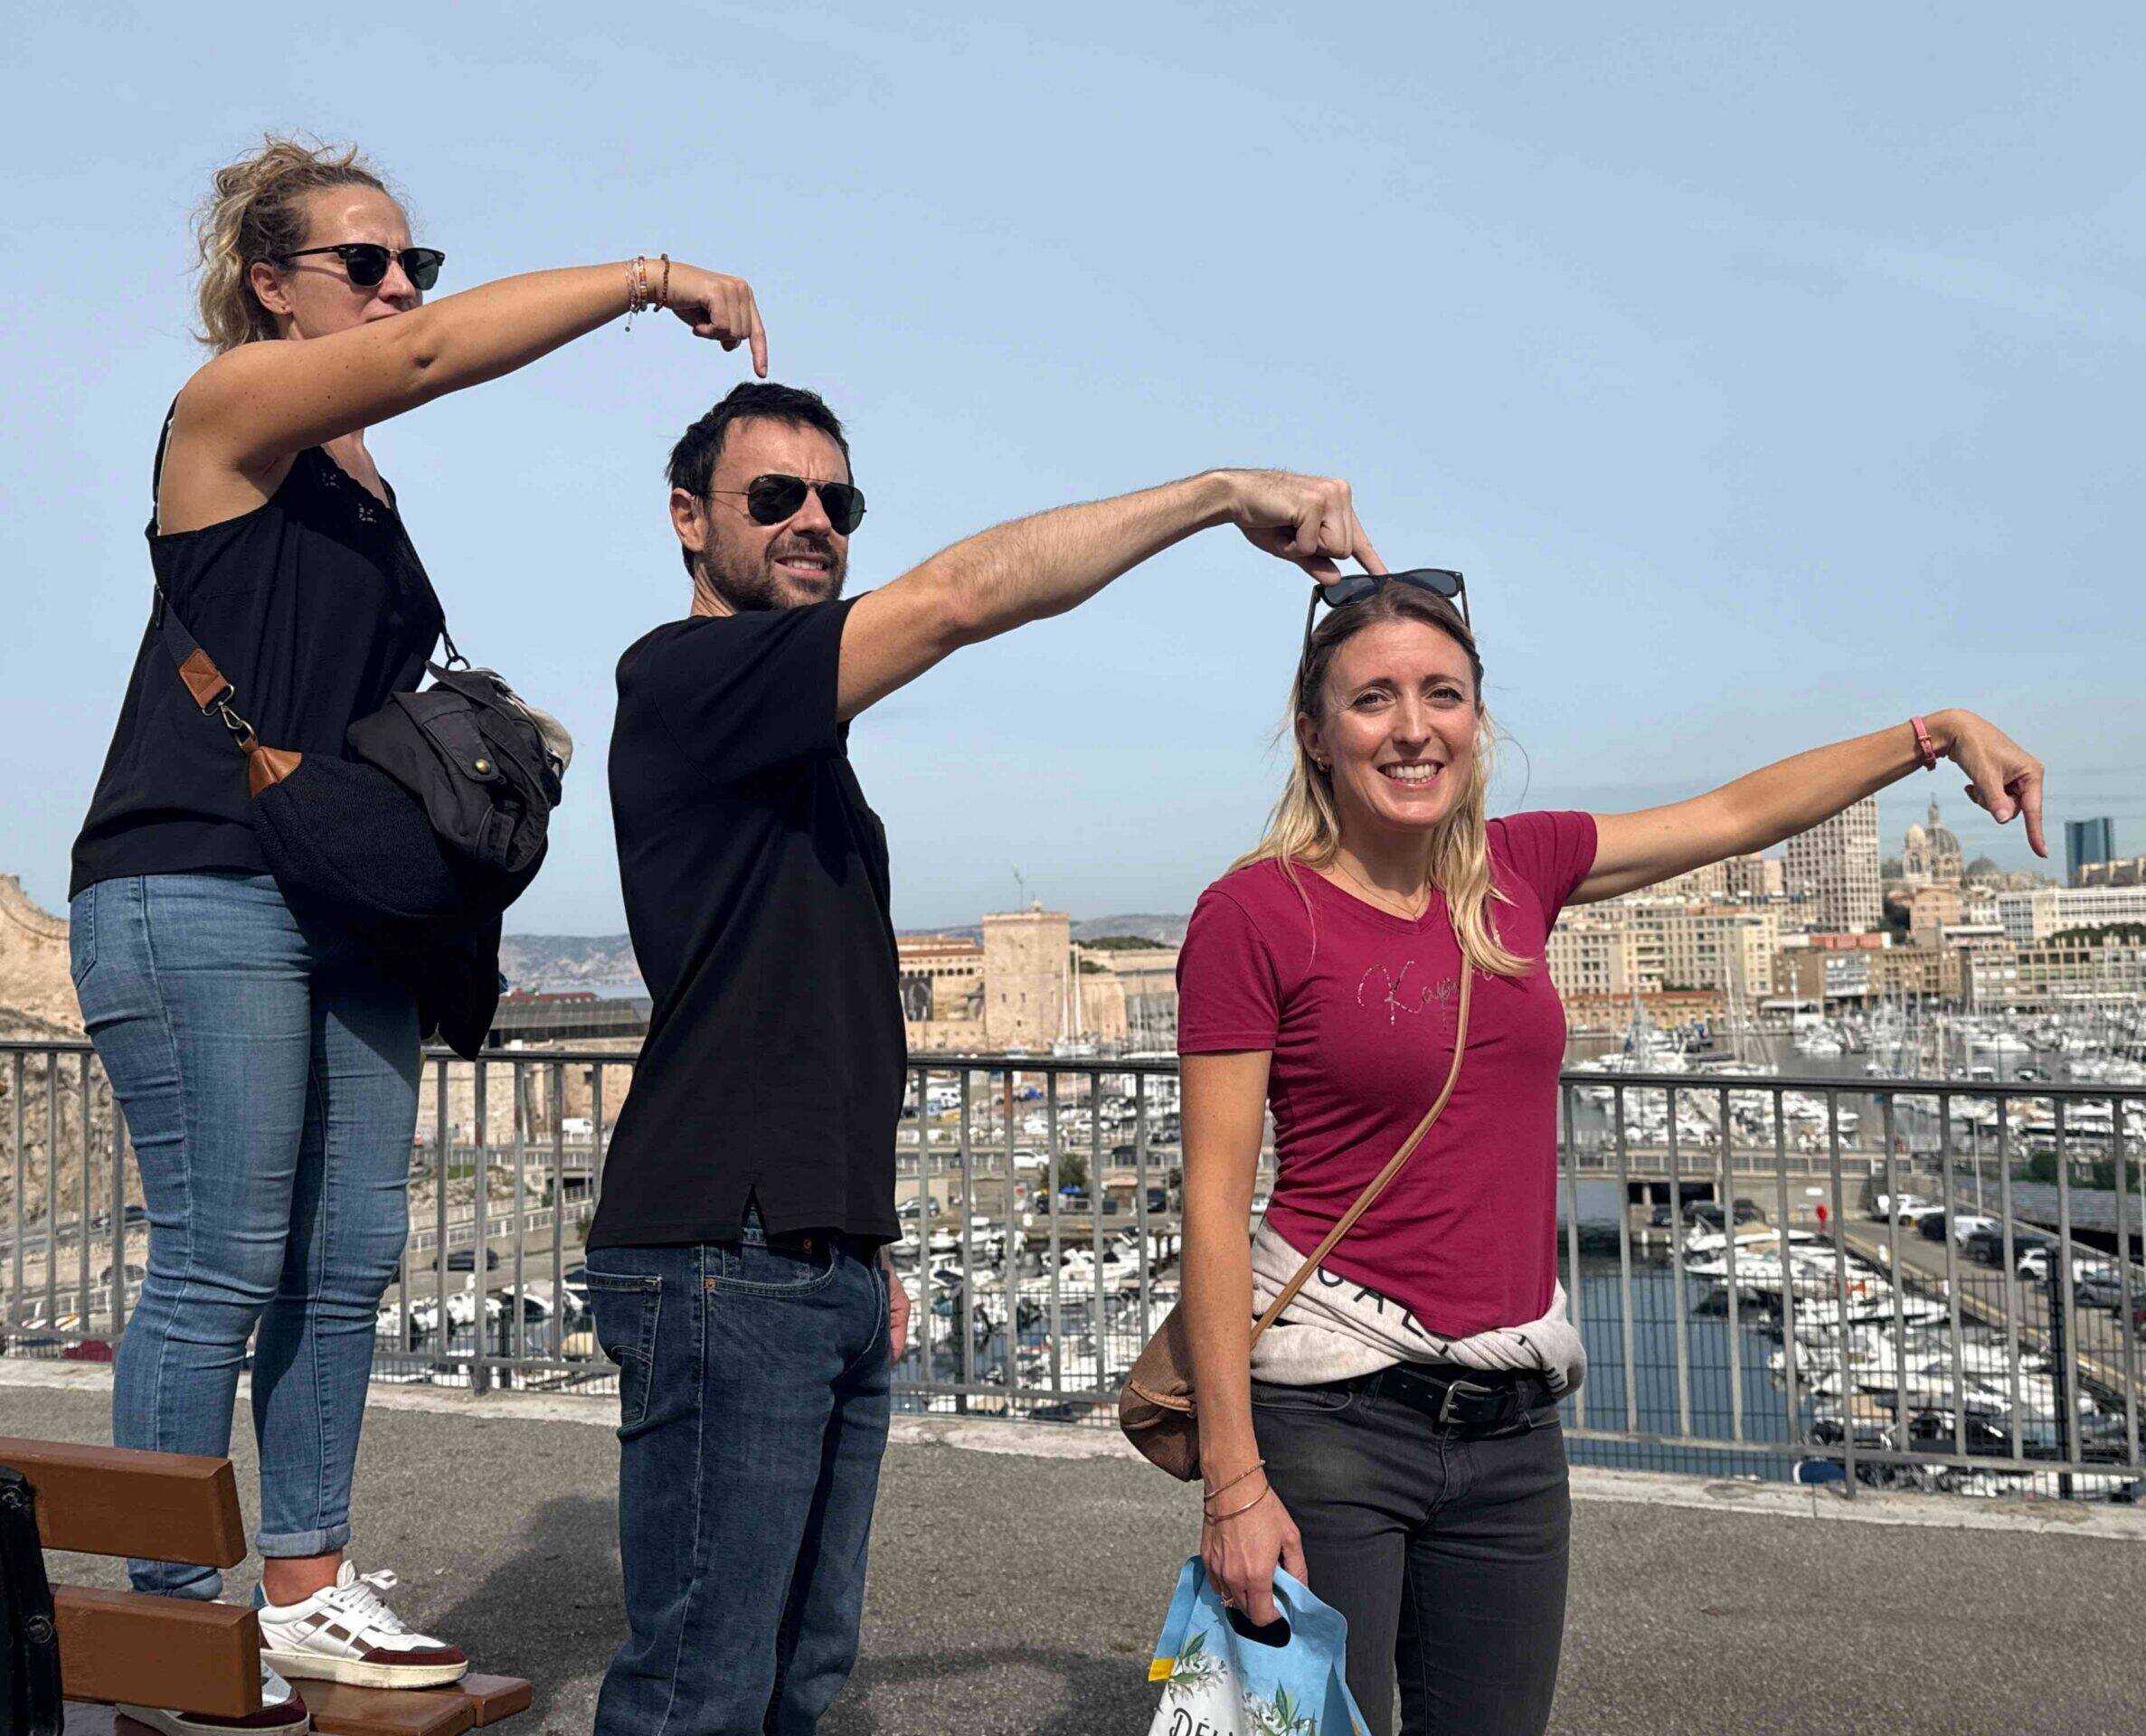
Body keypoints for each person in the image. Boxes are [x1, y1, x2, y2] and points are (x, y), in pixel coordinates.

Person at [69, 135, 765, 1735]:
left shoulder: (363, 475)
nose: (399, 292)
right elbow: (440, 359)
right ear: (269, 284)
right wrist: (654, 281)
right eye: (364, 267)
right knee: (223, 1258)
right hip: (199, 876)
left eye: (414, 266)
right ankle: (169, 1619)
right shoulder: (227, 411)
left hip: (348, 902)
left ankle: (306, 1588)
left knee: (348, 1260)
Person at [584, 379, 1380, 1735]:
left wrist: (863, 1246)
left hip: (810, 1260)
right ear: (686, 519)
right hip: (724, 1254)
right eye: (773, 497)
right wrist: (1216, 496)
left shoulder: (801, 748)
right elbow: (962, 599)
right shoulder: (682, 677)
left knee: (798, 1677)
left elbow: (806, 1010)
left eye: (839, 502)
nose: (814, 521)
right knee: (699, 1688)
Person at [1176, 571, 2046, 1732]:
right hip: (1331, 1418)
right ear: (1315, 732)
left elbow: (1737, 815)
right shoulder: (1253, 915)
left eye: (1443, 694)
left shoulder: (1517, 874)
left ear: (1477, 724)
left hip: (1511, 1423)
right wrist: (1233, 1484)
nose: (1412, 727)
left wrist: (1932, 735)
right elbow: (1213, 1207)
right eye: (1372, 699)